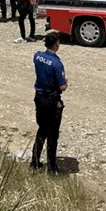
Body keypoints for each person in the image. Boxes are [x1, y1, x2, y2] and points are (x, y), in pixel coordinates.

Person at [31, 31, 67, 175]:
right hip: (51, 101)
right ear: (57, 45)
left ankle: (35, 161)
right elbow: (63, 86)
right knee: (52, 135)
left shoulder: (37, 56)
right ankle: (52, 168)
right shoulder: (57, 64)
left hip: (39, 98)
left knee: (41, 129)